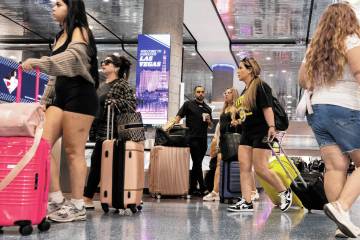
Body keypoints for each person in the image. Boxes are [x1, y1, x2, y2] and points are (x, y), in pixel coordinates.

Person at [22, 0, 99, 222]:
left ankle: (77, 205)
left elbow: (72, 59)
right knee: (42, 146)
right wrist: (44, 100)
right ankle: (56, 199)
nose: (53, 8)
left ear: (71, 6)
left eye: (58, 3)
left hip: (81, 94)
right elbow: (55, 74)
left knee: (73, 151)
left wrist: (39, 63)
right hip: (60, 95)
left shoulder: (80, 30)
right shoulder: (58, 36)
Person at [298, 3, 360, 238]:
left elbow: (303, 80)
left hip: (318, 110)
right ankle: (341, 206)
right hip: (345, 107)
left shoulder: (315, 46)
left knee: (336, 166)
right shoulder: (351, 39)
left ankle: (341, 226)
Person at [227, 57, 292, 212]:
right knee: (244, 167)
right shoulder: (245, 90)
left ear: (250, 70)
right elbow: (246, 112)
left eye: (241, 68)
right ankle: (246, 201)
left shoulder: (261, 86)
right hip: (247, 132)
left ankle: (284, 192)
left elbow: (267, 108)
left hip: (261, 131)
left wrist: (271, 127)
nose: (238, 71)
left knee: (261, 168)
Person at [83, 55, 135, 209]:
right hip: (101, 130)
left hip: (114, 133)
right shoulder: (100, 85)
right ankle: (91, 197)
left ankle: (88, 197)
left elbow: (132, 106)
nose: (103, 64)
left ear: (117, 67)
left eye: (107, 62)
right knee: (97, 162)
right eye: (102, 62)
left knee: (101, 163)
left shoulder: (122, 85)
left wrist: (115, 102)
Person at [203, 88, 259, 202]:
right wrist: (216, 140)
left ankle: (253, 191)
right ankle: (215, 192)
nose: (226, 94)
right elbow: (220, 127)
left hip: (236, 140)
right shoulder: (225, 108)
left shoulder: (238, 107)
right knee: (219, 163)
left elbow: (245, 120)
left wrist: (237, 122)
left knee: (245, 165)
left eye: (229, 93)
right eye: (225, 92)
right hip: (224, 140)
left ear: (234, 95)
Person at [175, 85, 213, 196]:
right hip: (192, 138)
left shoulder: (207, 108)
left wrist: (209, 121)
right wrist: (176, 126)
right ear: (194, 93)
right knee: (197, 162)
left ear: (204, 93)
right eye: (198, 92)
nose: (200, 93)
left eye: (202, 92)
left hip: (203, 139)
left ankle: (192, 188)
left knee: (198, 164)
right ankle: (202, 187)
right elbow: (178, 117)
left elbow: (210, 126)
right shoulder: (188, 104)